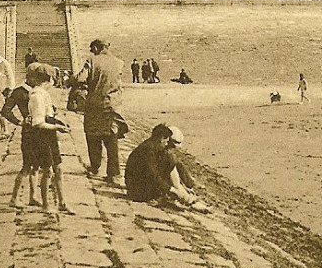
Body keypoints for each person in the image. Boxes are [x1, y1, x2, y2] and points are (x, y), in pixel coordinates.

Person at [124, 124, 206, 211]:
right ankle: (184, 198)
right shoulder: (149, 151)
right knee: (170, 165)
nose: (167, 144)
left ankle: (185, 196)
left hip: (137, 186)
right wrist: (172, 189)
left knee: (170, 163)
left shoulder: (151, 146)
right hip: (137, 192)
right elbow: (153, 176)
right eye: (166, 141)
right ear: (161, 138)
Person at [27, 63, 73, 214]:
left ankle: (62, 202)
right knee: (47, 170)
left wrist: (57, 122)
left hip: (49, 134)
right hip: (41, 136)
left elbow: (48, 117)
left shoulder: (43, 94)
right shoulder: (37, 97)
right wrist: (56, 127)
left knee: (58, 168)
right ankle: (46, 204)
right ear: (49, 80)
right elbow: (38, 123)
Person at [82, 39, 124, 186]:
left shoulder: (92, 61)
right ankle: (114, 174)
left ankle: (95, 168)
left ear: (95, 47)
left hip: (94, 105)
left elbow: (81, 78)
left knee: (93, 137)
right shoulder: (118, 62)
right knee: (111, 140)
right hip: (112, 105)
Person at [1, 64, 39, 208]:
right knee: (27, 165)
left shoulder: (38, 91)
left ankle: (33, 196)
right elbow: (5, 111)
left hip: (40, 130)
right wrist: (19, 122)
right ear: (29, 76)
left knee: (36, 165)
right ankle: (14, 198)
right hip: (29, 132)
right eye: (37, 77)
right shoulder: (19, 92)